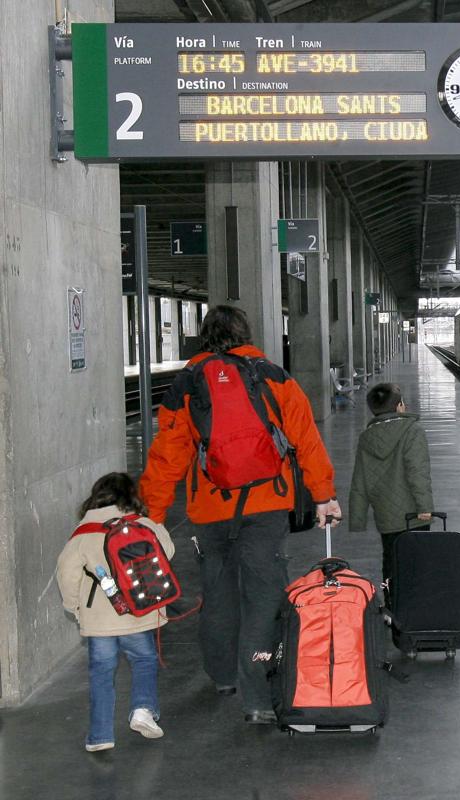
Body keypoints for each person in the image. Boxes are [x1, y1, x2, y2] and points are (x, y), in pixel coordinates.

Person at [139, 305, 339, 725]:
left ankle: (223, 676)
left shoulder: (188, 383)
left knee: (218, 592)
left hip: (210, 509)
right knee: (264, 596)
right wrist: (323, 496)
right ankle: (258, 697)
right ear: (247, 333)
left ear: (204, 337)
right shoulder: (272, 376)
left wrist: (153, 516)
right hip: (268, 504)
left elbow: (166, 457)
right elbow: (306, 439)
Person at [56, 473, 175, 752]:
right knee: (144, 660)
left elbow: (66, 572)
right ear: (132, 496)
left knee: (101, 672)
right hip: (139, 613)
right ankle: (143, 710)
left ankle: (100, 736)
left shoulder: (83, 533)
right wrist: (155, 524)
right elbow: (167, 552)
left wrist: (73, 606)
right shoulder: (143, 524)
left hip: (99, 620)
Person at [348, 382, 434, 610]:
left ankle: (391, 605)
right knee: (416, 560)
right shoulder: (413, 431)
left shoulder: (367, 437)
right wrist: (425, 506)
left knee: (391, 560)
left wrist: (357, 519)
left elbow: (360, 480)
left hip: (386, 514)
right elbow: (417, 472)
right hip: (414, 513)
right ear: (399, 407)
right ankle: (416, 607)